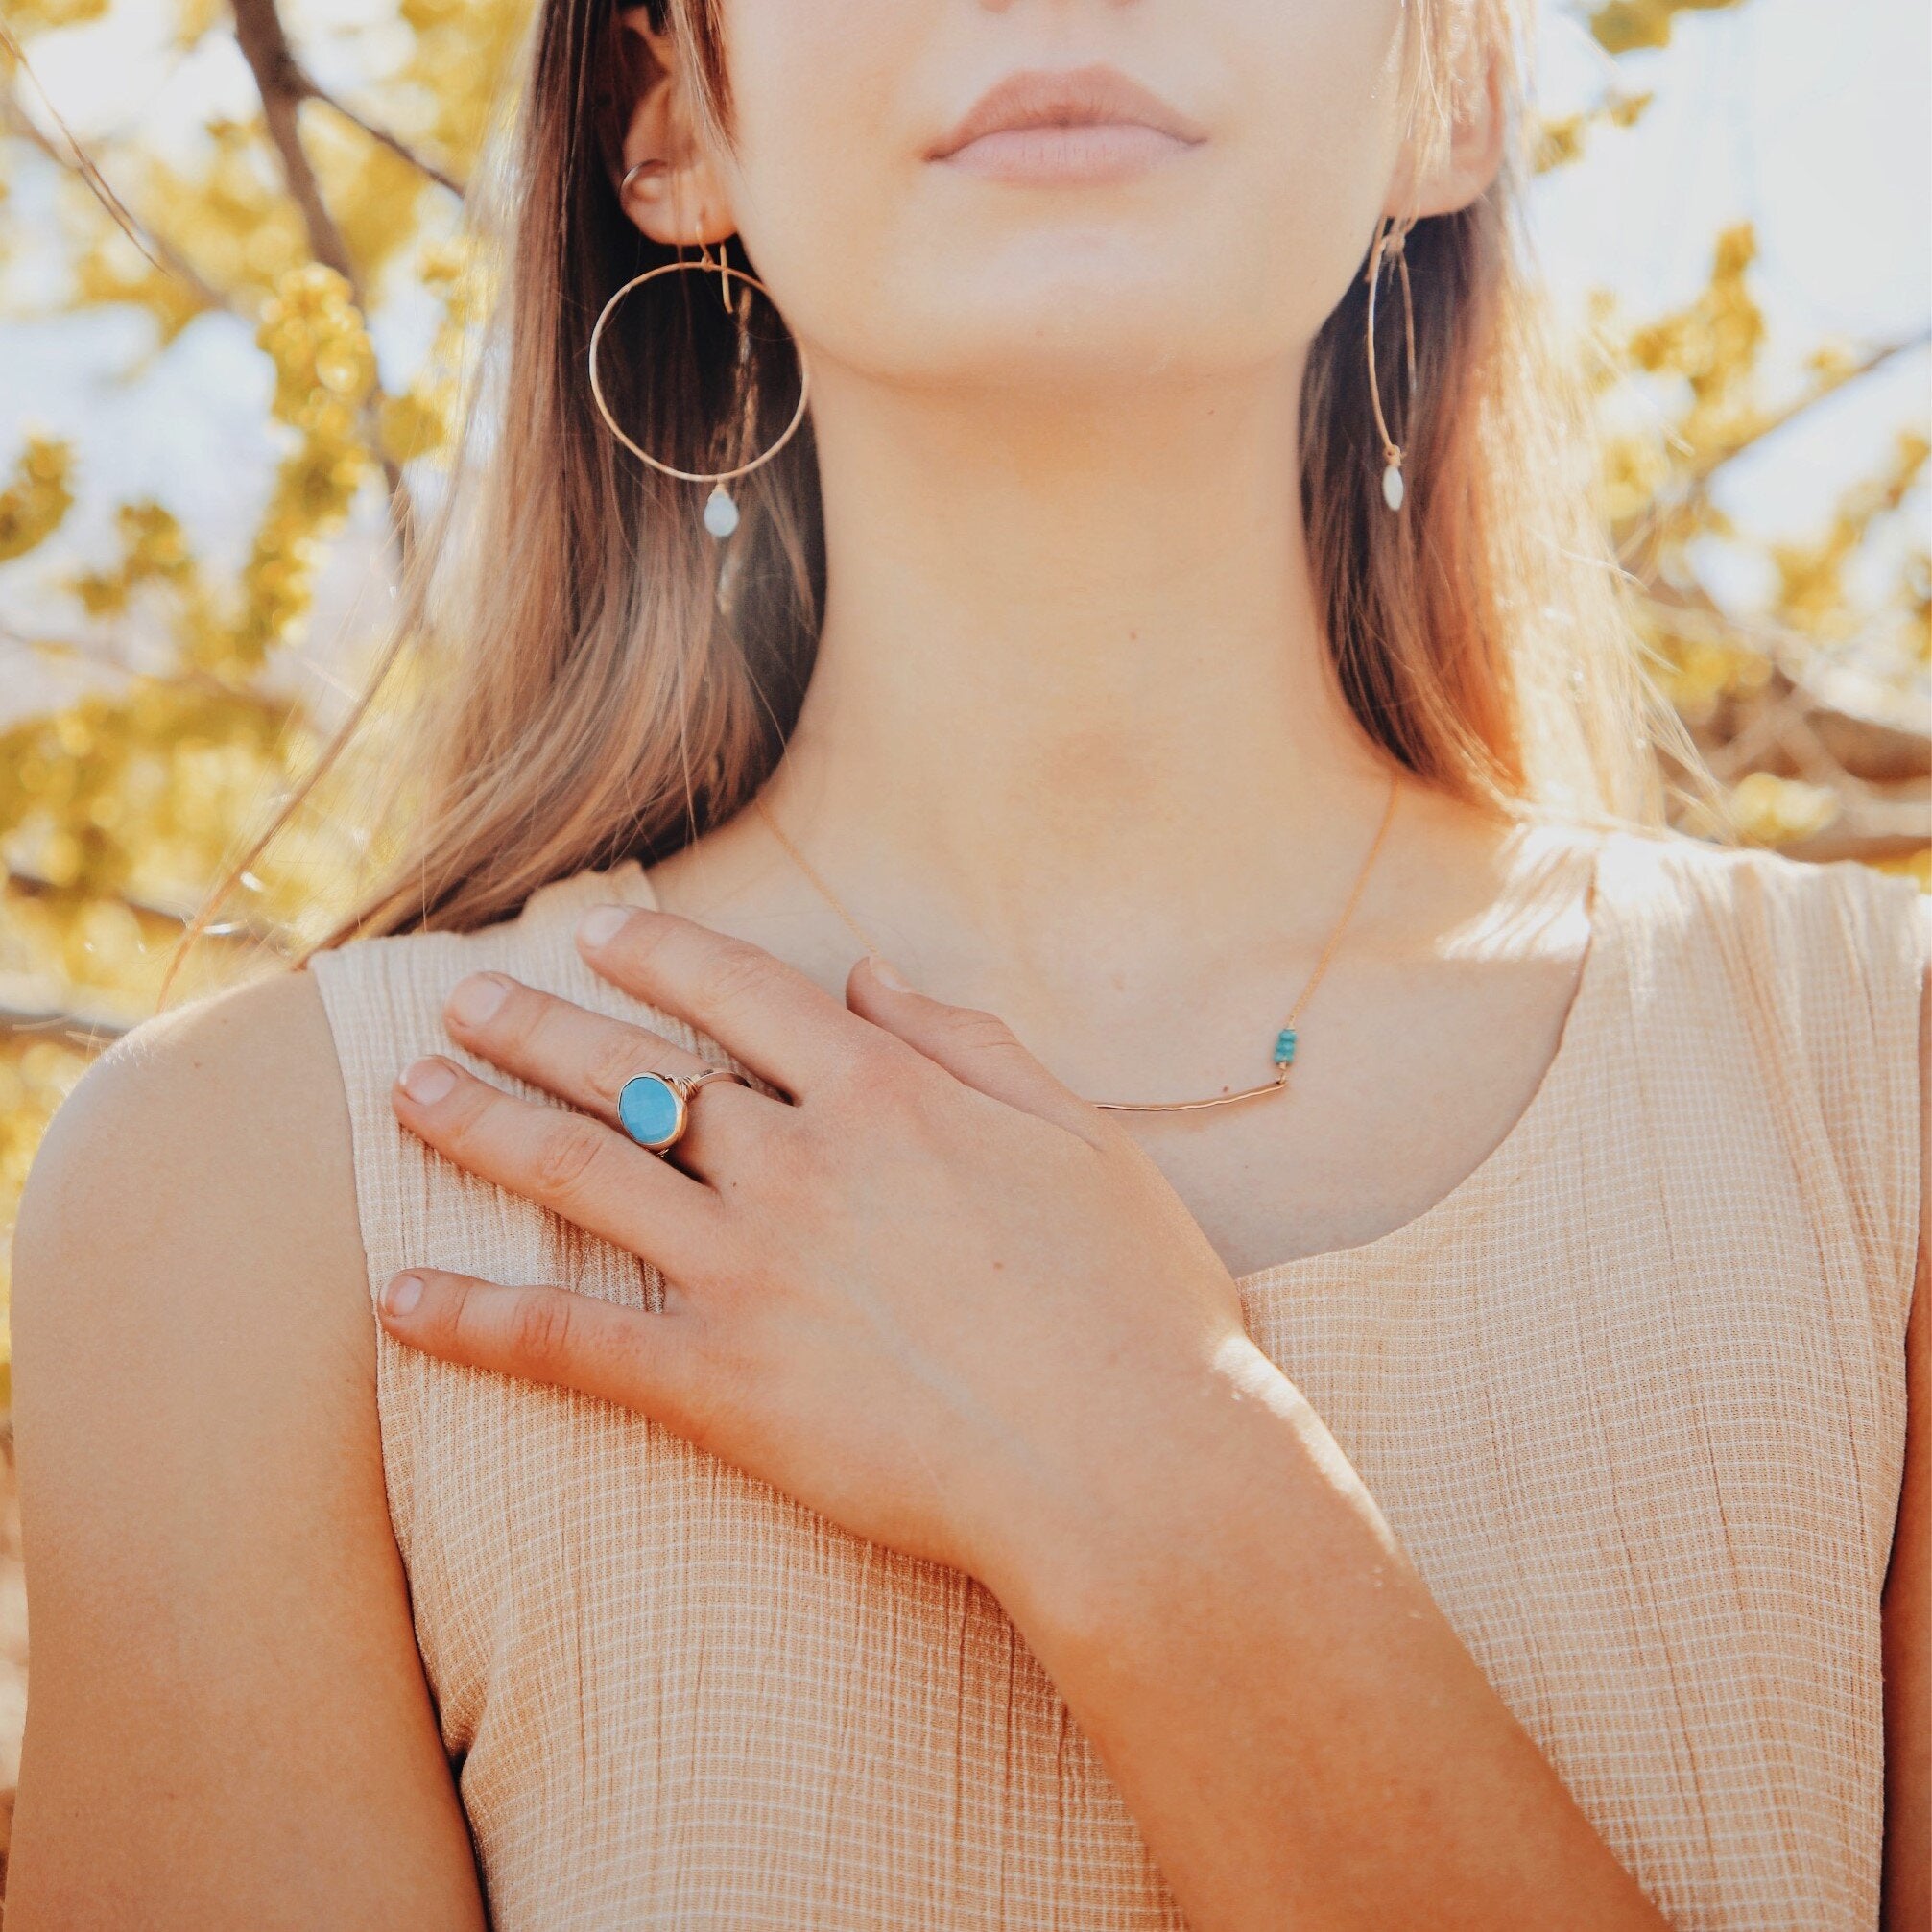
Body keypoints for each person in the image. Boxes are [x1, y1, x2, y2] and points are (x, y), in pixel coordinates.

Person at [8, 1, 1926, 1925]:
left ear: (1450, 87)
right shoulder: (252, 1205)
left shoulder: (1886, 1088)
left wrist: (1147, 1470)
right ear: (669, 116)